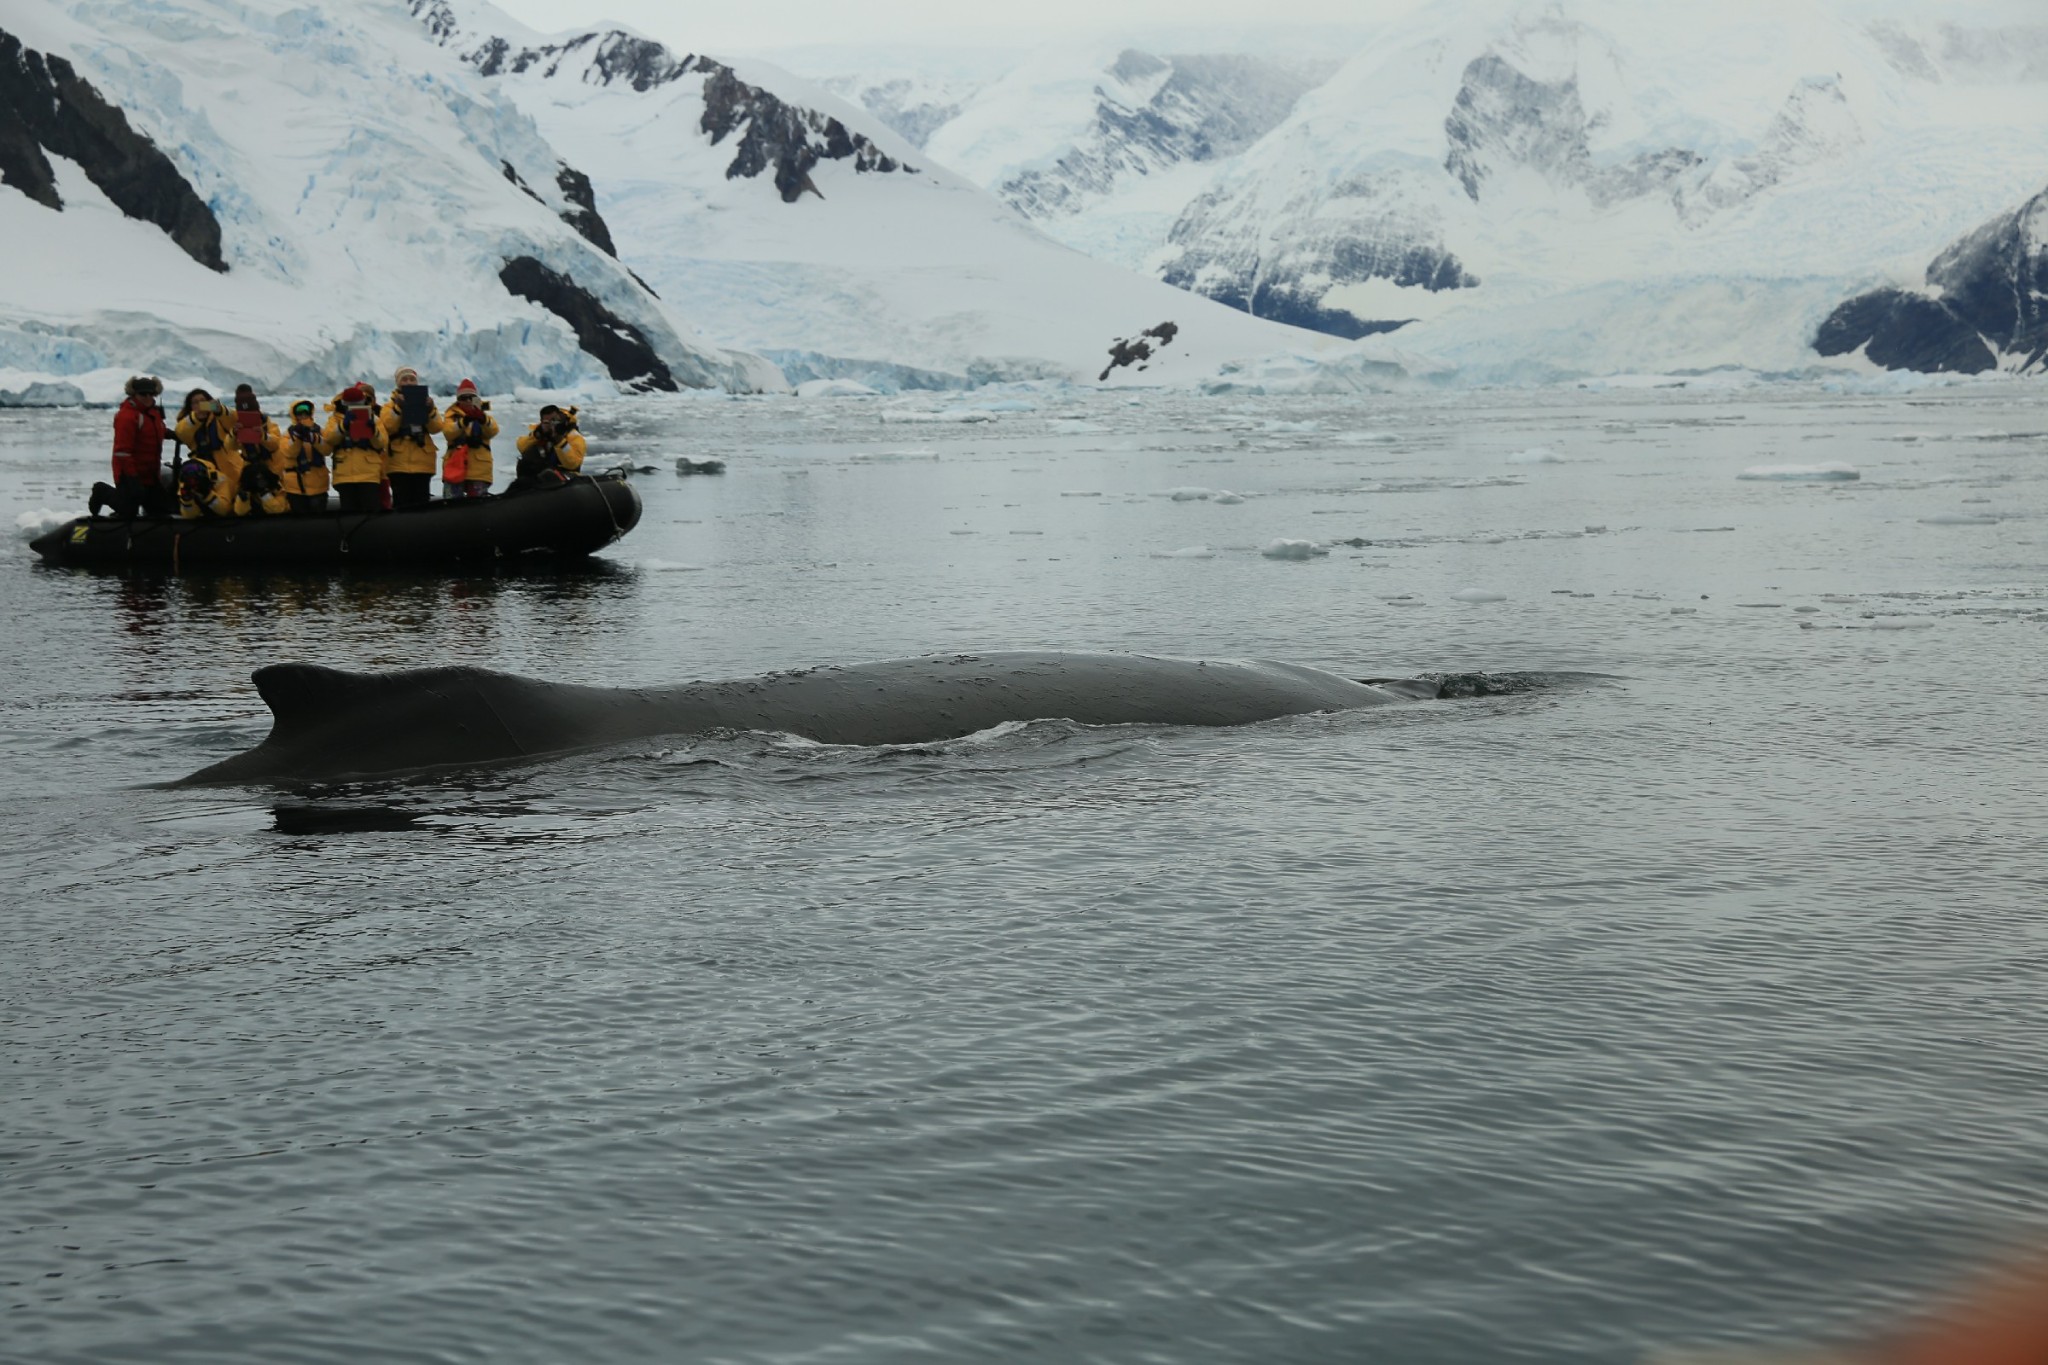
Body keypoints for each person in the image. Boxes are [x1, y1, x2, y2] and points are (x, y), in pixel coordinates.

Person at [91, 375, 170, 519]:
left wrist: (172, 434)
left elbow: (155, 431)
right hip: (129, 472)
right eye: (142, 394)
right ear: (134, 394)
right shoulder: (127, 416)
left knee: (162, 511)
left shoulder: (153, 414)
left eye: (151, 394)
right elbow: (122, 452)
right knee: (128, 509)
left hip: (150, 473)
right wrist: (132, 478)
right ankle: (102, 492)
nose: (147, 397)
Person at [380, 365, 442, 508]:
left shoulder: (426, 403)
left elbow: (437, 427)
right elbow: (388, 426)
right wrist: (398, 407)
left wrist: (430, 410)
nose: (408, 382)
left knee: (422, 505)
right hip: (399, 465)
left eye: (412, 379)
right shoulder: (389, 406)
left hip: (422, 464)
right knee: (401, 503)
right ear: (398, 383)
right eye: (404, 379)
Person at [322, 382, 387, 513]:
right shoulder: (335, 420)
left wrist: (373, 431)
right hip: (345, 475)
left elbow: (382, 443)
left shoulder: (373, 418)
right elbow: (329, 439)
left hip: (368, 474)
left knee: (370, 513)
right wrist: (342, 427)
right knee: (349, 513)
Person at [228, 385, 287, 516]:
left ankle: (265, 498)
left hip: (272, 469)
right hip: (250, 468)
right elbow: (231, 446)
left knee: (275, 502)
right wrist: (234, 434)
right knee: (242, 504)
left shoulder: (268, 424)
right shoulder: (236, 425)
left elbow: (275, 443)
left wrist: (262, 436)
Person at [174, 389, 244, 493]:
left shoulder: (220, 419)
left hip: (232, 470)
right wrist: (197, 417)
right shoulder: (188, 423)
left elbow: (235, 418)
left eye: (203, 401)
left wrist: (220, 410)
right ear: (190, 407)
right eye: (195, 402)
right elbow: (181, 432)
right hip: (204, 471)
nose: (200, 405)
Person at [440, 378, 497, 498]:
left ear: (476, 399)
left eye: (470, 397)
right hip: (455, 467)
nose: (467, 401)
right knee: (452, 506)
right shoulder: (451, 416)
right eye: (463, 398)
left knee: (478, 507)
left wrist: (482, 419)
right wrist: (463, 422)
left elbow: (493, 431)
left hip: (478, 469)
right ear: (458, 400)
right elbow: (448, 433)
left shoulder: (484, 417)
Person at [510, 404, 585, 493]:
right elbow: (521, 446)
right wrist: (537, 435)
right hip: (541, 478)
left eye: (554, 421)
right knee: (521, 481)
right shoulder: (539, 434)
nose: (551, 425)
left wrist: (559, 441)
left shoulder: (573, 437)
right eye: (547, 422)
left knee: (548, 475)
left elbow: (573, 464)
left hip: (567, 479)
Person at [277, 400, 330, 514]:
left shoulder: (320, 431)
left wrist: (312, 437)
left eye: (306, 413)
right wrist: (298, 438)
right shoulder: (287, 435)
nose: (303, 416)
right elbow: (290, 452)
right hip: (295, 487)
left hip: (318, 485)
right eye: (299, 413)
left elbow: (327, 450)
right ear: (294, 415)